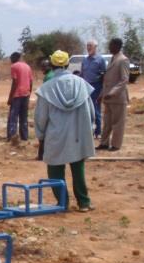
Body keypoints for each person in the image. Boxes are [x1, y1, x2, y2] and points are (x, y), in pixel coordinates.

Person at [34, 50, 95, 212]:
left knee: (55, 170)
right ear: (67, 64)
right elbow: (91, 111)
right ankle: (84, 203)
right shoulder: (81, 84)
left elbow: (41, 117)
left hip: (55, 135)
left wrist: (40, 137)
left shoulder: (47, 88)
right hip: (77, 134)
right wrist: (90, 129)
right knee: (78, 168)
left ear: (52, 66)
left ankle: (62, 203)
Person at [97, 38, 130, 152]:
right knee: (107, 123)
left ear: (117, 46)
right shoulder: (112, 59)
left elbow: (124, 80)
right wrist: (102, 94)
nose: (109, 47)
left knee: (118, 123)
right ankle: (104, 143)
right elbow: (107, 80)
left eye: (111, 45)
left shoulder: (123, 60)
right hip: (108, 98)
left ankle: (116, 145)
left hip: (118, 98)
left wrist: (112, 93)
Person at [80, 40, 107, 138]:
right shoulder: (85, 60)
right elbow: (82, 74)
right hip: (86, 87)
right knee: (86, 110)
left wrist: (102, 91)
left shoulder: (100, 60)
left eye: (90, 46)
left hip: (96, 87)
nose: (88, 48)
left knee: (96, 110)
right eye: (87, 46)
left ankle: (98, 132)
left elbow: (105, 76)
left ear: (95, 47)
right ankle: (89, 131)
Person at [7, 51, 33, 144]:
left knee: (13, 117)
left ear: (14, 58)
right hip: (26, 94)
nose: (10, 61)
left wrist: (10, 97)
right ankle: (24, 137)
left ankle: (12, 137)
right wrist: (29, 93)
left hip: (17, 94)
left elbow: (14, 82)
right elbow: (31, 81)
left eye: (11, 59)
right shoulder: (27, 66)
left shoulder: (14, 66)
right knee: (24, 117)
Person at [36, 59, 54, 161]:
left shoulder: (48, 77)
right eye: (42, 66)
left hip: (47, 105)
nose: (43, 68)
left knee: (42, 128)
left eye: (44, 66)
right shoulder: (51, 75)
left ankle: (41, 155)